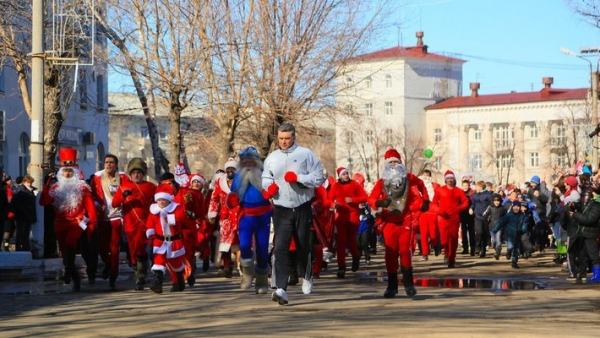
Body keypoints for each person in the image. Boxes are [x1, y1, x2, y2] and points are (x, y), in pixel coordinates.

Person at [262, 122, 324, 305]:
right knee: (280, 247)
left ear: (293, 137)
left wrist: (299, 178)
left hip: (302, 206)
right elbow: (265, 177)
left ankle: (307, 275)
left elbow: (318, 177)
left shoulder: (305, 154)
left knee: (303, 245)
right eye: (280, 138)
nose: (283, 142)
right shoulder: (272, 158)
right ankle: (281, 289)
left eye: (287, 138)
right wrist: (268, 187)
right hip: (281, 208)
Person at [368, 148, 429, 298]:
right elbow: (370, 199)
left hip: (405, 219)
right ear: (387, 165)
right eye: (391, 162)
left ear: (401, 164)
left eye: (396, 162)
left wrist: (426, 199)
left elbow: (421, 185)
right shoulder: (382, 182)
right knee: (390, 253)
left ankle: (409, 285)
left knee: (405, 250)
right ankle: (392, 286)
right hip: (389, 220)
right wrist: (378, 202)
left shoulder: (409, 177)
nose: (394, 165)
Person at [39, 148, 97, 291]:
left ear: (75, 172)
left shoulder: (83, 188)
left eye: (70, 171)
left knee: (71, 244)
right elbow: (43, 201)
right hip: (60, 224)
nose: (68, 173)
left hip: (76, 223)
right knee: (65, 252)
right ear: (61, 173)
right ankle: (75, 278)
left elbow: (91, 209)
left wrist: (91, 225)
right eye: (65, 171)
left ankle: (67, 272)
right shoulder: (56, 187)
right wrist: (47, 184)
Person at [226, 146, 273, 293]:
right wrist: (231, 200)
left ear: (256, 162)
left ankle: (262, 281)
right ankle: (247, 273)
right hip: (245, 215)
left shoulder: (264, 174)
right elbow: (232, 196)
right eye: (245, 162)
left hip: (263, 215)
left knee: (262, 248)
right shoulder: (238, 177)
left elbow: (272, 190)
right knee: (245, 246)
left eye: (250, 161)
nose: (248, 164)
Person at [111, 158, 156, 291]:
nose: (136, 175)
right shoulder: (124, 187)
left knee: (141, 247)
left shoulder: (150, 187)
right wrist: (123, 196)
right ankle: (137, 269)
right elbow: (114, 204)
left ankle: (141, 275)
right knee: (132, 249)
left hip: (145, 224)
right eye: (134, 172)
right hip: (130, 225)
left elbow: (160, 201)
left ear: (143, 174)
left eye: (139, 172)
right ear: (130, 174)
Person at [90, 154, 129, 290]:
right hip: (102, 217)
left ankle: (113, 276)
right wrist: (96, 204)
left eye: (111, 162)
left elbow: (128, 193)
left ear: (116, 165)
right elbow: (92, 195)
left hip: (117, 217)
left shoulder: (123, 178)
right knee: (102, 247)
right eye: (106, 162)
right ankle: (108, 264)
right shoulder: (97, 178)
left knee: (114, 249)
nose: (108, 165)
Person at [160, 171, 203, 286]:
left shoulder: (188, 194)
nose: (167, 188)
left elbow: (199, 211)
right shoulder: (160, 197)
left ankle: (189, 271)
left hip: (186, 230)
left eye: (169, 184)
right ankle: (176, 281)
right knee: (170, 255)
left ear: (174, 183)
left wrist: (193, 215)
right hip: (169, 231)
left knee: (187, 253)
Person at [146, 183, 189, 293]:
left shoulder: (176, 208)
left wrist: (170, 218)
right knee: (158, 262)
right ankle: (157, 283)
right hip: (159, 241)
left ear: (169, 200)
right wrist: (150, 231)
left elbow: (181, 218)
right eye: (159, 200)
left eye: (163, 200)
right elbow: (150, 223)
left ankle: (179, 280)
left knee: (176, 264)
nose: (161, 202)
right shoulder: (154, 211)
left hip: (174, 241)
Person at [328, 167, 368, 278]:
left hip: (352, 217)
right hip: (340, 218)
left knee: (351, 242)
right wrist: (333, 205)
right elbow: (329, 199)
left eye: (347, 173)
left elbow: (365, 197)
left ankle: (356, 256)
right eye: (343, 174)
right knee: (341, 243)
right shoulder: (336, 186)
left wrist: (353, 200)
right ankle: (341, 267)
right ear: (339, 176)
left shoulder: (355, 185)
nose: (346, 176)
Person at [208, 158, 240, 278]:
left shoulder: (243, 182)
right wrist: (212, 213)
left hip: (240, 214)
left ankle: (244, 265)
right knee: (225, 242)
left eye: (233, 168)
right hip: (225, 216)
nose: (230, 170)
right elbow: (214, 198)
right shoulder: (220, 182)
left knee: (243, 240)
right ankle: (227, 266)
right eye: (228, 169)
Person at [431, 170, 469, 268]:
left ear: (454, 179)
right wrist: (439, 210)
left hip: (454, 218)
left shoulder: (459, 191)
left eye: (451, 178)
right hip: (442, 217)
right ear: (445, 180)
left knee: (453, 238)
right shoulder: (440, 190)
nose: (449, 180)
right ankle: (446, 253)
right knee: (444, 240)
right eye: (447, 178)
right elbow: (434, 203)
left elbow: (465, 202)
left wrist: (458, 208)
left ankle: (451, 258)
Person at [569, 174, 600, 283]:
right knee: (582, 254)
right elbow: (583, 210)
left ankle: (597, 275)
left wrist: (575, 215)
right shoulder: (590, 204)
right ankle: (581, 271)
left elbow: (589, 219)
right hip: (583, 233)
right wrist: (574, 207)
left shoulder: (596, 206)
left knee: (593, 254)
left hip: (591, 233)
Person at [491, 200, 528, 269]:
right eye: (514, 206)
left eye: (517, 207)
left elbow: (524, 225)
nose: (516, 208)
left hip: (518, 234)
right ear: (512, 207)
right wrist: (494, 229)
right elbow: (500, 222)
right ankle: (508, 251)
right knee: (511, 246)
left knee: (516, 249)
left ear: (520, 207)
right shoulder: (508, 215)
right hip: (509, 235)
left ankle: (514, 262)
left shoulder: (523, 216)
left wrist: (523, 230)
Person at [10, 175, 37, 252]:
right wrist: (23, 211)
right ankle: (19, 249)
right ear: (24, 182)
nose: (30, 184)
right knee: (20, 233)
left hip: (27, 215)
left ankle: (25, 248)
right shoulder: (20, 190)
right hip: (21, 215)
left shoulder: (29, 191)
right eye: (29, 183)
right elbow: (16, 203)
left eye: (31, 183)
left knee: (26, 233)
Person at [418, 169, 441, 260]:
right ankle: (425, 253)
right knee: (423, 234)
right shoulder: (418, 187)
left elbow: (440, 197)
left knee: (433, 234)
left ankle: (435, 246)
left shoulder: (435, 186)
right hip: (423, 213)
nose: (425, 177)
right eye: (424, 175)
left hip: (433, 213)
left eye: (427, 175)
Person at [470, 180, 492, 258]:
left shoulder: (488, 195)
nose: (475, 188)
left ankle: (483, 250)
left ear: (481, 187)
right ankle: (477, 247)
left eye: (477, 186)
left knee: (484, 233)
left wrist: (487, 213)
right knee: (479, 231)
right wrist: (471, 209)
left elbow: (491, 205)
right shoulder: (474, 194)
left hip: (485, 216)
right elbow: (473, 204)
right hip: (477, 216)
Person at [482, 194, 506, 259]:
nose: (497, 202)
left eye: (498, 201)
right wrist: (486, 219)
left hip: (499, 227)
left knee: (498, 240)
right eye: (495, 201)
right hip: (491, 226)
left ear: (500, 201)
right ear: (493, 201)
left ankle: (497, 253)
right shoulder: (490, 207)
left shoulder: (502, 208)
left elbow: (505, 217)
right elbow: (485, 214)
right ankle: (496, 250)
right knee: (494, 241)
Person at [459, 179, 475, 255]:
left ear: (469, 186)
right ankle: (465, 247)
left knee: (471, 232)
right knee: (463, 231)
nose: (465, 187)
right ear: (462, 186)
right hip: (462, 214)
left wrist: (471, 208)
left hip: (470, 214)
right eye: (464, 186)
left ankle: (472, 248)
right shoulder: (460, 193)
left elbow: (474, 202)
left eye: (467, 185)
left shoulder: (472, 193)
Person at [1, 175, 15, 251]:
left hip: (10, 214)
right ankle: (4, 247)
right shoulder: (5, 190)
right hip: (6, 214)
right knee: (6, 233)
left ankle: (6, 246)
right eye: (8, 180)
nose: (10, 181)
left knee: (9, 232)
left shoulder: (9, 189)